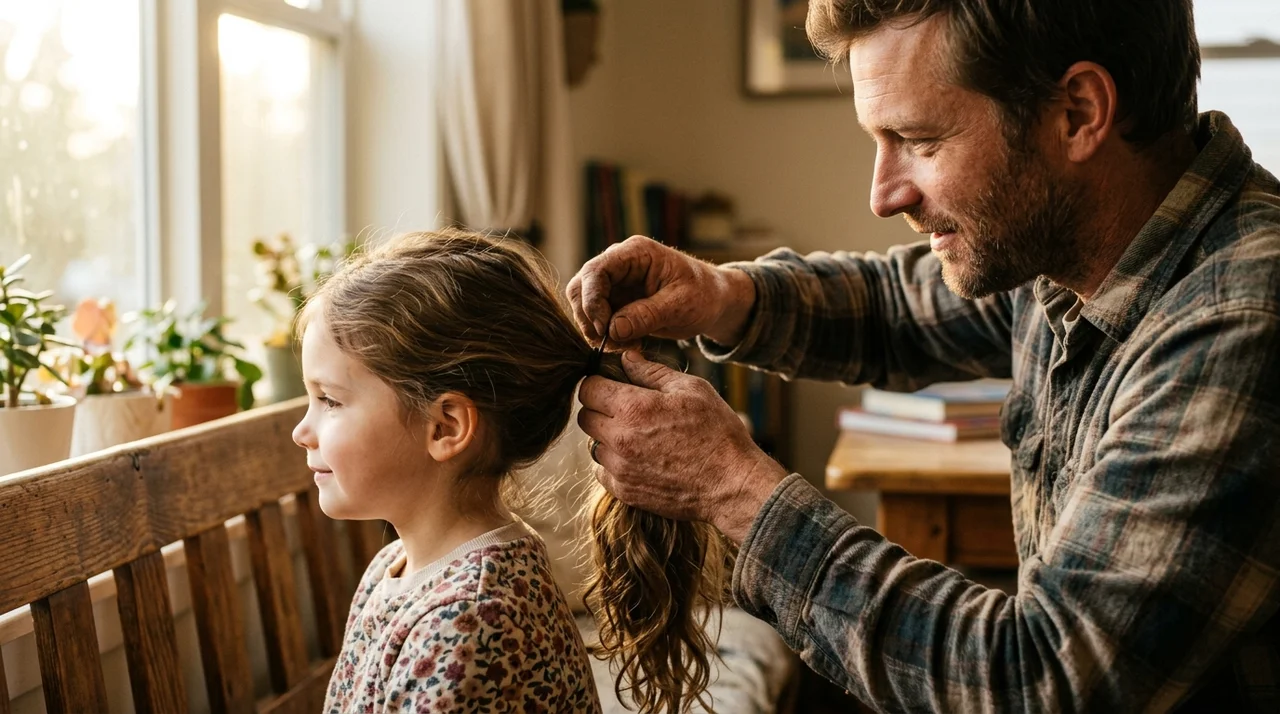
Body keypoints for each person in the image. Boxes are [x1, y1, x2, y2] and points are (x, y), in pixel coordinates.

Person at [568, 0, 1280, 711]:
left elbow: (1041, 685)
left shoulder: (1241, 320)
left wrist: (730, 486)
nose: (884, 195)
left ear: (1079, 113)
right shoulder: (1075, 251)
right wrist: (721, 293)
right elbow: (898, 310)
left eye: (920, 140)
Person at [293, 228, 725, 713]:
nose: (300, 431)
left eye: (328, 400)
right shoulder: (394, 568)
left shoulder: (470, 618)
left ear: (445, 427)